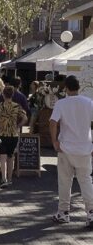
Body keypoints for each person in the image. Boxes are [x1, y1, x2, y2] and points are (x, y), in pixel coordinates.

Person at [49, 75, 93, 228]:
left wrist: (55, 142)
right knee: (86, 180)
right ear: (79, 87)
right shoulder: (89, 103)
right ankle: (91, 213)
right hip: (85, 147)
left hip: (65, 148)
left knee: (65, 181)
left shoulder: (61, 103)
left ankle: (63, 213)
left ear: (65, 88)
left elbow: (53, 122)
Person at [0, 86, 27, 188]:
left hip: (1, 134)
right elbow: (25, 118)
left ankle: (3, 179)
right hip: (13, 134)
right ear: (12, 95)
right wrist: (18, 126)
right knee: (11, 157)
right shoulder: (17, 106)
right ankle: (10, 179)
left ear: (3, 94)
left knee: (2, 157)